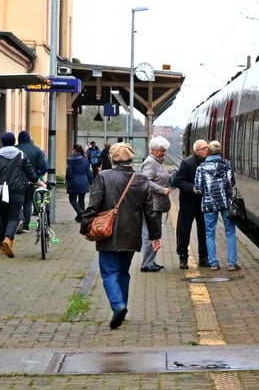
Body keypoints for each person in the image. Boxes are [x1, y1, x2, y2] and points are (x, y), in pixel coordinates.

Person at [81, 141, 161, 329]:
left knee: (109, 271)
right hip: (132, 234)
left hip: (106, 232)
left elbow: (93, 205)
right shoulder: (141, 179)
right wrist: (155, 236)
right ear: (132, 159)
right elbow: (150, 211)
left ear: (111, 158)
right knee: (124, 271)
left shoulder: (103, 177)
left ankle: (118, 306)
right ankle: (122, 308)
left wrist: (85, 227)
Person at [193, 140, 239, 270]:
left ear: (208, 152)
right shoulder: (226, 165)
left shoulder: (201, 168)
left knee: (209, 233)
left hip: (209, 204)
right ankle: (231, 263)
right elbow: (231, 183)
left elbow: (198, 188)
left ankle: (213, 263)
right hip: (225, 203)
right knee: (230, 232)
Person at [0, 132, 38, 257]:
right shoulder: (21, 155)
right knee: (13, 218)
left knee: (3, 218)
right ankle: (8, 239)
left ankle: (2, 246)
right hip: (17, 190)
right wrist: (36, 181)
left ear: (2, 141)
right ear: (13, 142)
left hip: (1, 191)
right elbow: (31, 173)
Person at [171, 139, 210, 269]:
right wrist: (192, 188)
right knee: (184, 230)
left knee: (203, 230)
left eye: (207, 147)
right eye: (204, 148)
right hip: (188, 202)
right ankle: (183, 257)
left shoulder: (209, 163)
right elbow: (178, 181)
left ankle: (203, 257)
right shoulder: (187, 163)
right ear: (197, 151)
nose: (207, 150)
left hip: (204, 203)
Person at [138, 136, 172, 272]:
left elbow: (159, 176)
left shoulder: (159, 161)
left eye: (165, 150)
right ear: (153, 150)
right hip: (151, 204)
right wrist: (162, 189)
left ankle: (151, 260)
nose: (164, 153)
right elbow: (146, 181)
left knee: (155, 233)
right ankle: (146, 263)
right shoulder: (150, 163)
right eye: (161, 151)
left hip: (157, 204)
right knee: (149, 234)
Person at [16, 131, 47, 234]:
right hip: (31, 180)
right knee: (28, 203)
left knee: (16, 202)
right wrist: (36, 174)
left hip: (17, 181)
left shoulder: (15, 149)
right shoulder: (36, 150)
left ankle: (20, 219)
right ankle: (26, 226)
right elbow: (43, 167)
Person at [65, 143, 94, 221]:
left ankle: (80, 212)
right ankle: (81, 217)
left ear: (74, 150)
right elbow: (89, 173)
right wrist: (91, 182)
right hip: (84, 182)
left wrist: (67, 179)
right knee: (81, 199)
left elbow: (69, 173)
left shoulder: (70, 160)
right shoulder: (85, 160)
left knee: (72, 200)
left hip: (73, 182)